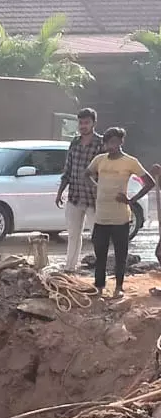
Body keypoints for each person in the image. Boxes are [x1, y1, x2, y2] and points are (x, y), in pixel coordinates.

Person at [85, 127, 155, 299]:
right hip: (101, 216)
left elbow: (149, 182)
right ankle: (99, 286)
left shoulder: (130, 162)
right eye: (109, 143)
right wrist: (96, 187)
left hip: (120, 217)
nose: (112, 146)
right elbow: (86, 174)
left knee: (120, 255)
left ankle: (119, 287)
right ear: (105, 144)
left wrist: (131, 200)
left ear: (121, 142)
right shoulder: (100, 160)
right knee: (100, 253)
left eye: (115, 142)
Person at [56, 108, 104, 272]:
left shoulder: (101, 144)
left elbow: (105, 171)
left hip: (93, 199)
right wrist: (60, 191)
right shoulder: (74, 142)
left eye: (86, 123)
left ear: (94, 123)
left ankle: (100, 271)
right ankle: (70, 268)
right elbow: (68, 170)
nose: (83, 126)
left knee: (97, 236)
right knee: (73, 235)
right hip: (75, 196)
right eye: (81, 122)